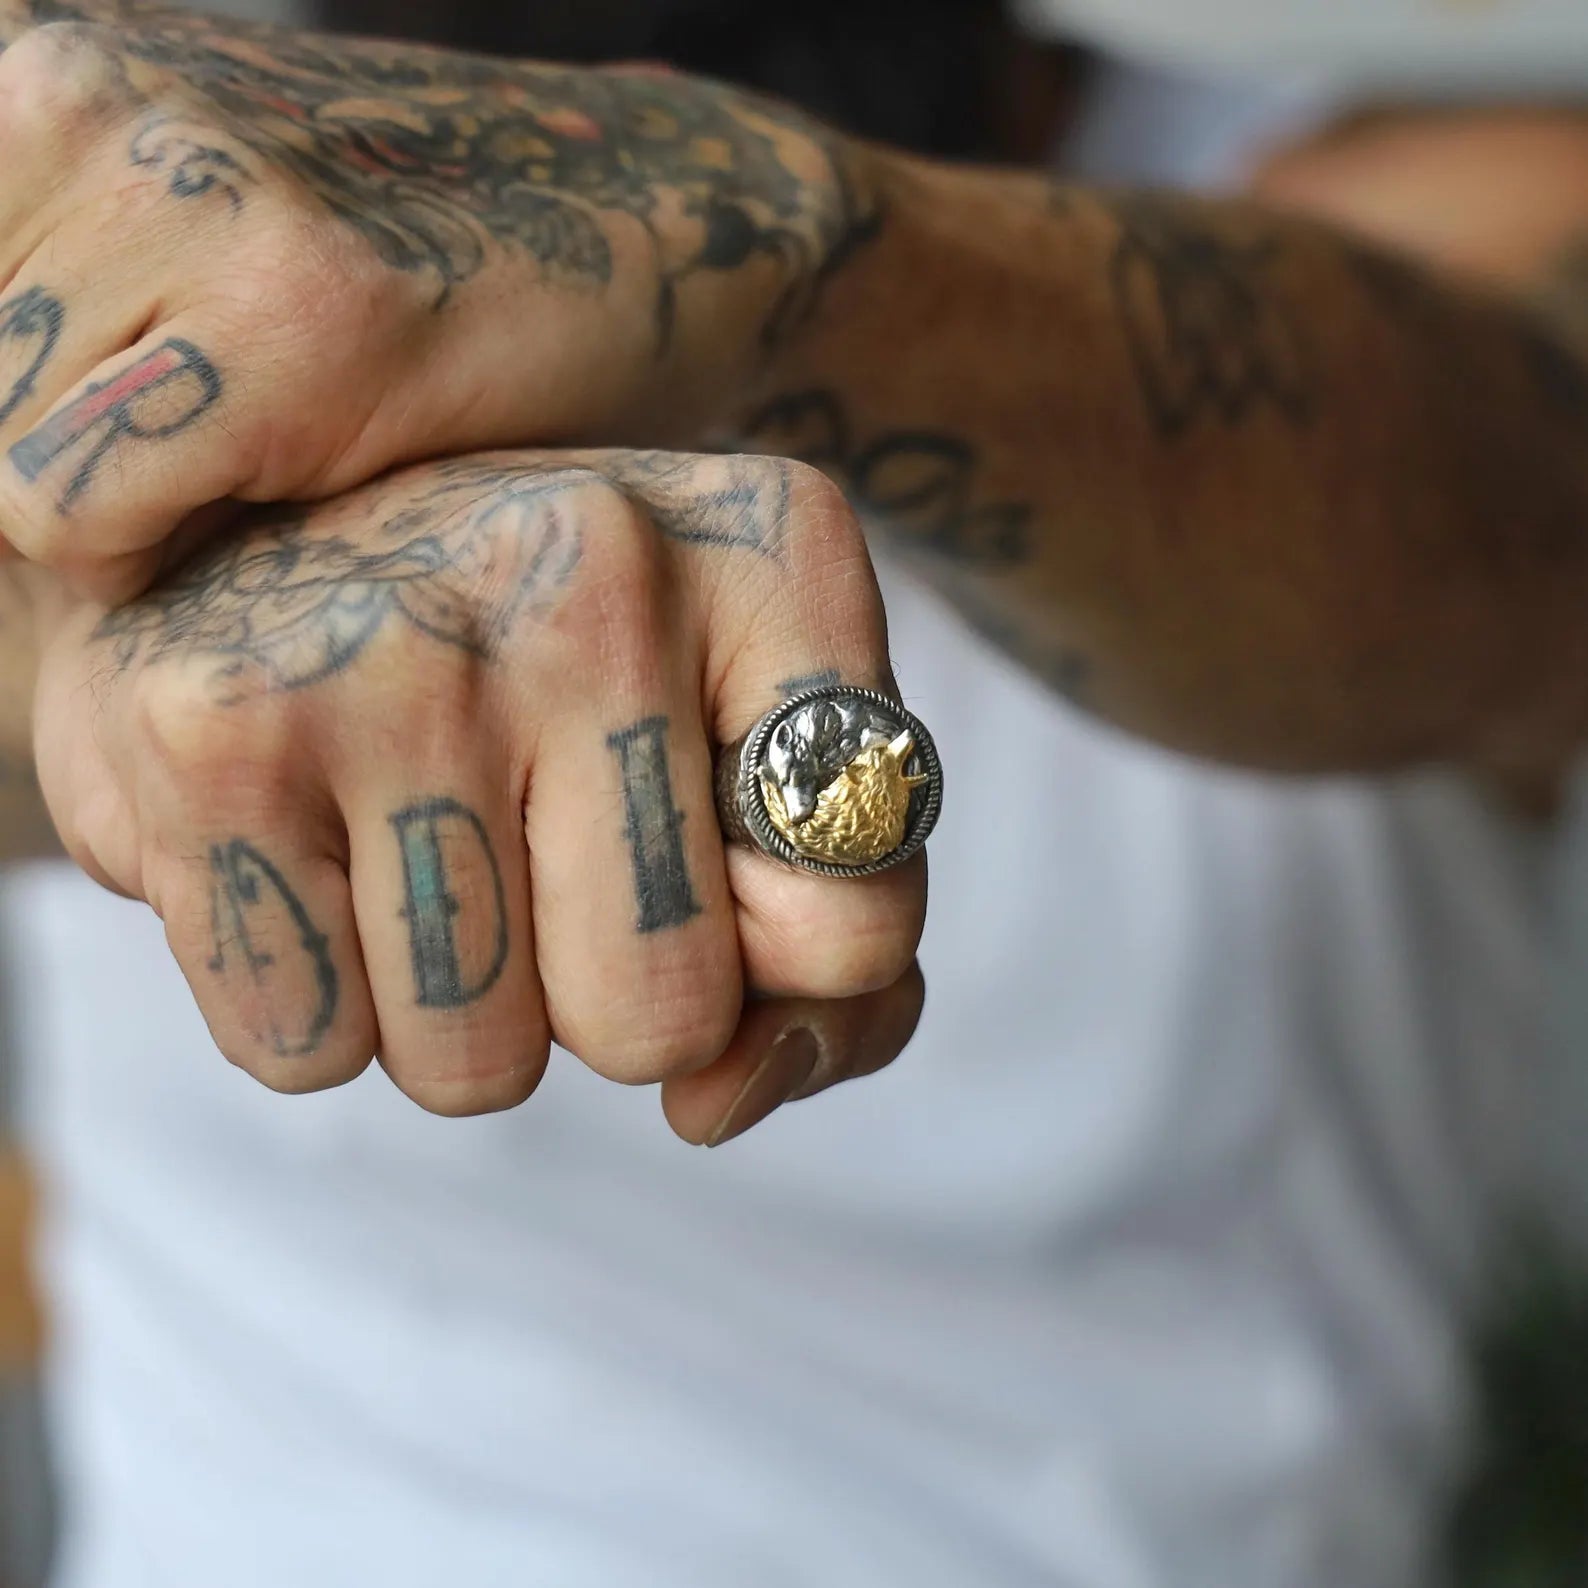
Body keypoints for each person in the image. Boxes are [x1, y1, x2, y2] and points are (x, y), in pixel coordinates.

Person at [1, 0, 1587, 1583]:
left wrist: (756, 230)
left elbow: (1525, 515)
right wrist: (124, 582)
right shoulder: (128, 180)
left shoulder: (1419, 148)